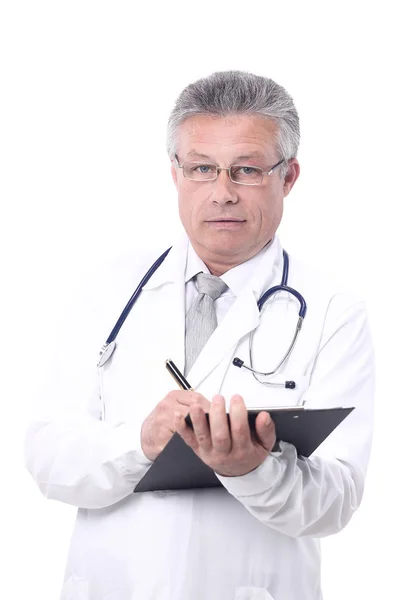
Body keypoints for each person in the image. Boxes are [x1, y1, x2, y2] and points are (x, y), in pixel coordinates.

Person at [25, 70, 374, 600]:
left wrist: (253, 468)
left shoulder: (332, 311)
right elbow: (48, 459)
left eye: (247, 170)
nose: (222, 193)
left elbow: (336, 501)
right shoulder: (108, 288)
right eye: (203, 168)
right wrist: (138, 443)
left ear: (289, 176)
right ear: (175, 173)